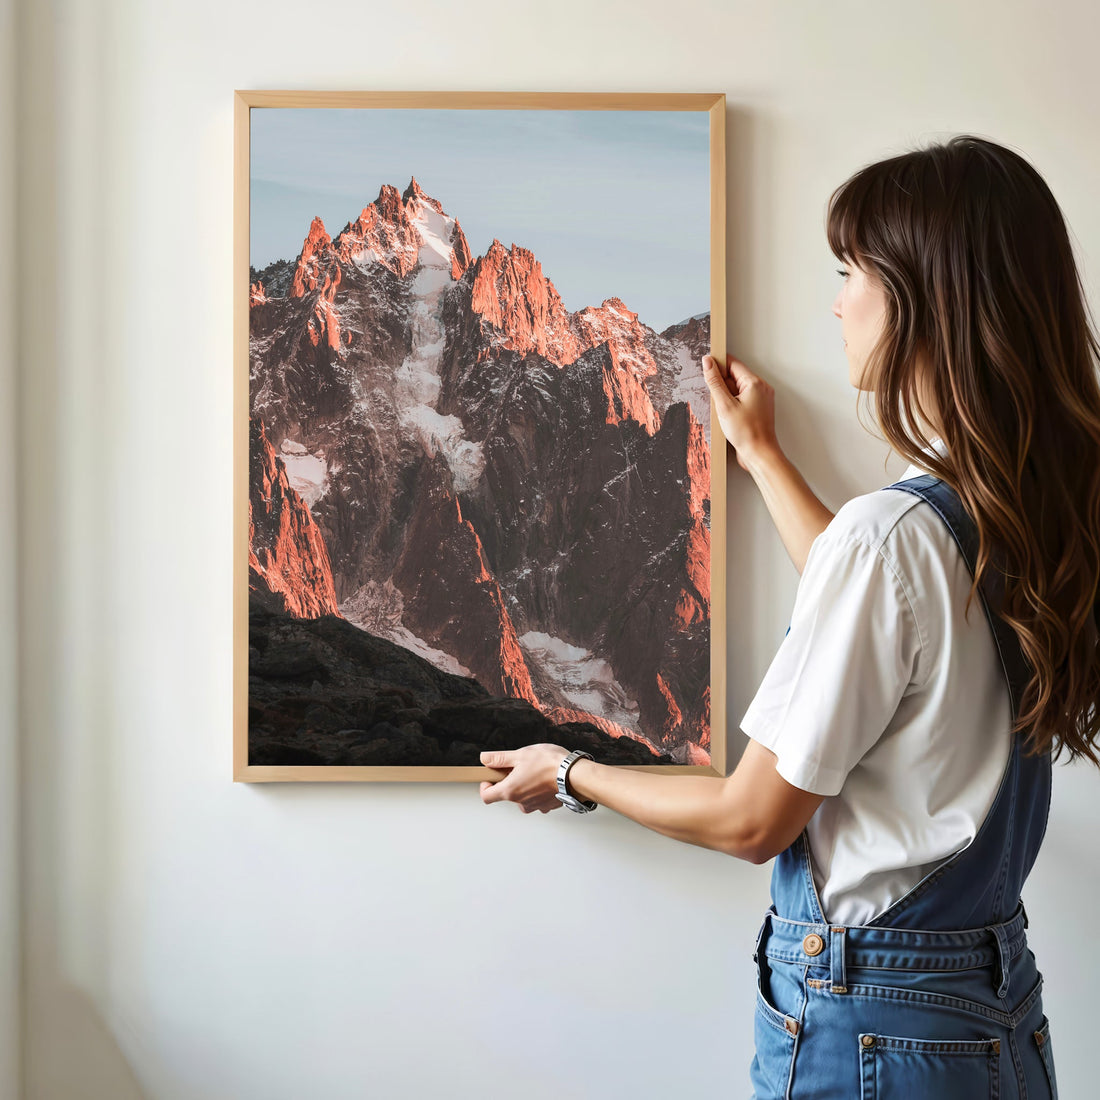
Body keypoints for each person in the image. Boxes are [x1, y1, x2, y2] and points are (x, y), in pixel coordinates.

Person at [477, 134, 1100, 1098]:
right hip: (988, 1015)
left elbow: (749, 818)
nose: (838, 299)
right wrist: (763, 456)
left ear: (925, 300)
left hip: (873, 1029)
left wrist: (570, 772)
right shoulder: (1018, 510)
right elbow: (890, 623)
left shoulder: (894, 537)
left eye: (852, 272)